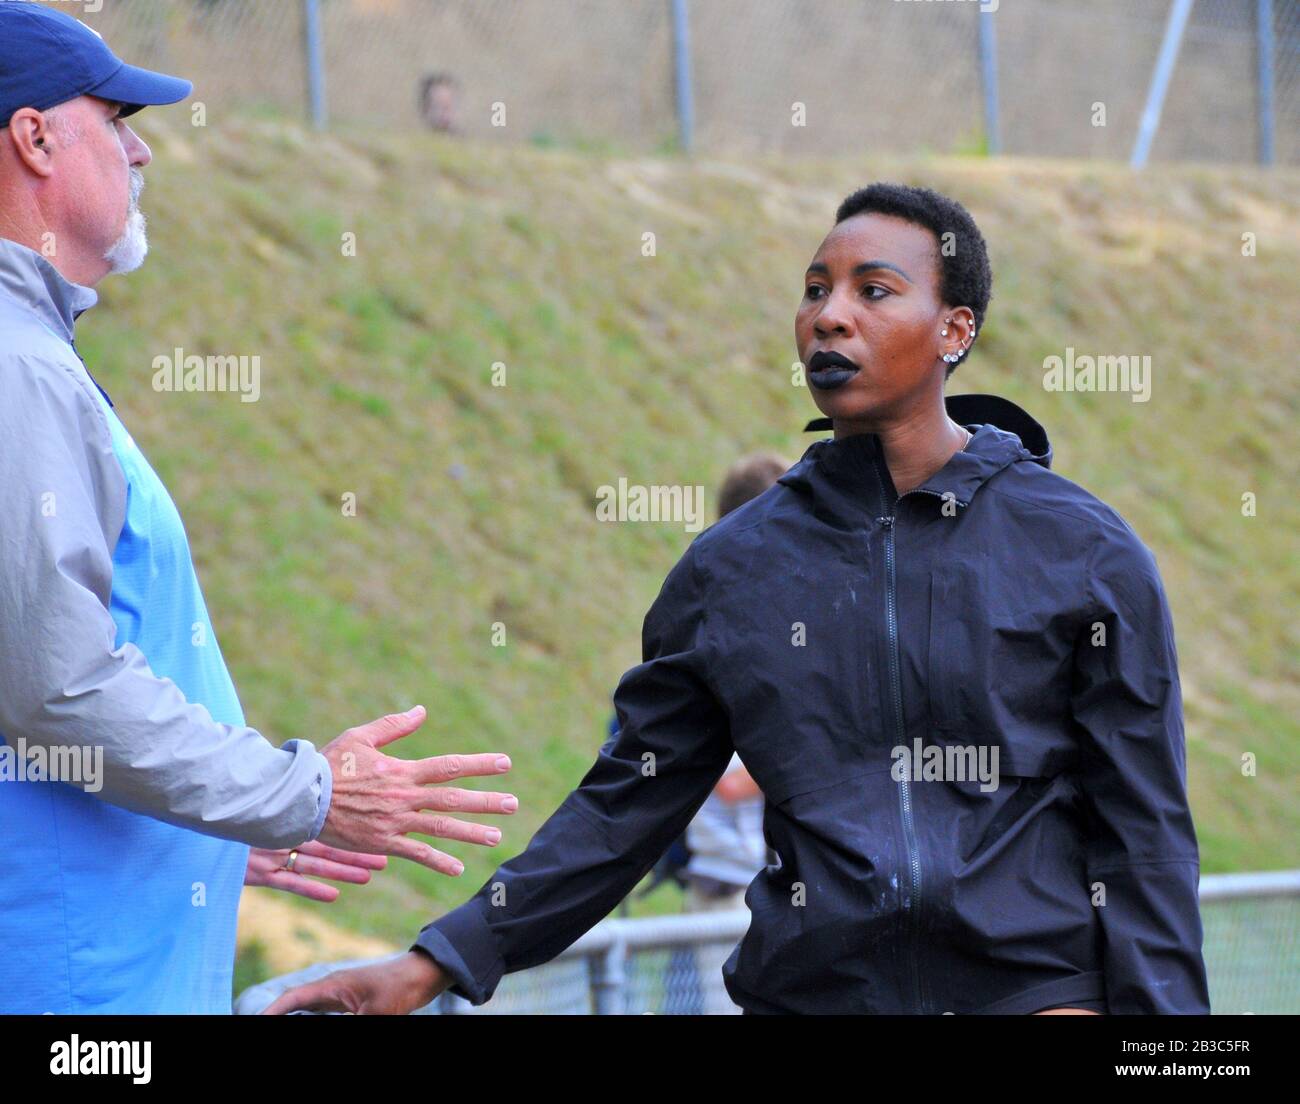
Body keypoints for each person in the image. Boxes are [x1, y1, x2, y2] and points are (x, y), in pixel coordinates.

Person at [266, 182, 1210, 1015]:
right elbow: (624, 808)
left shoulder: (1082, 550)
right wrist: (438, 961)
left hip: (1037, 996)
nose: (829, 316)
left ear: (956, 329)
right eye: (814, 291)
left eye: (872, 291)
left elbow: (1145, 830)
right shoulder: (733, 571)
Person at [0, 3, 516, 1014]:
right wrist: (303, 794)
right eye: (115, 119)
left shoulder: (34, 357)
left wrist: (198, 833)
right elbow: (54, 688)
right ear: (35, 138)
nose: (142, 149)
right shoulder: (16, 367)